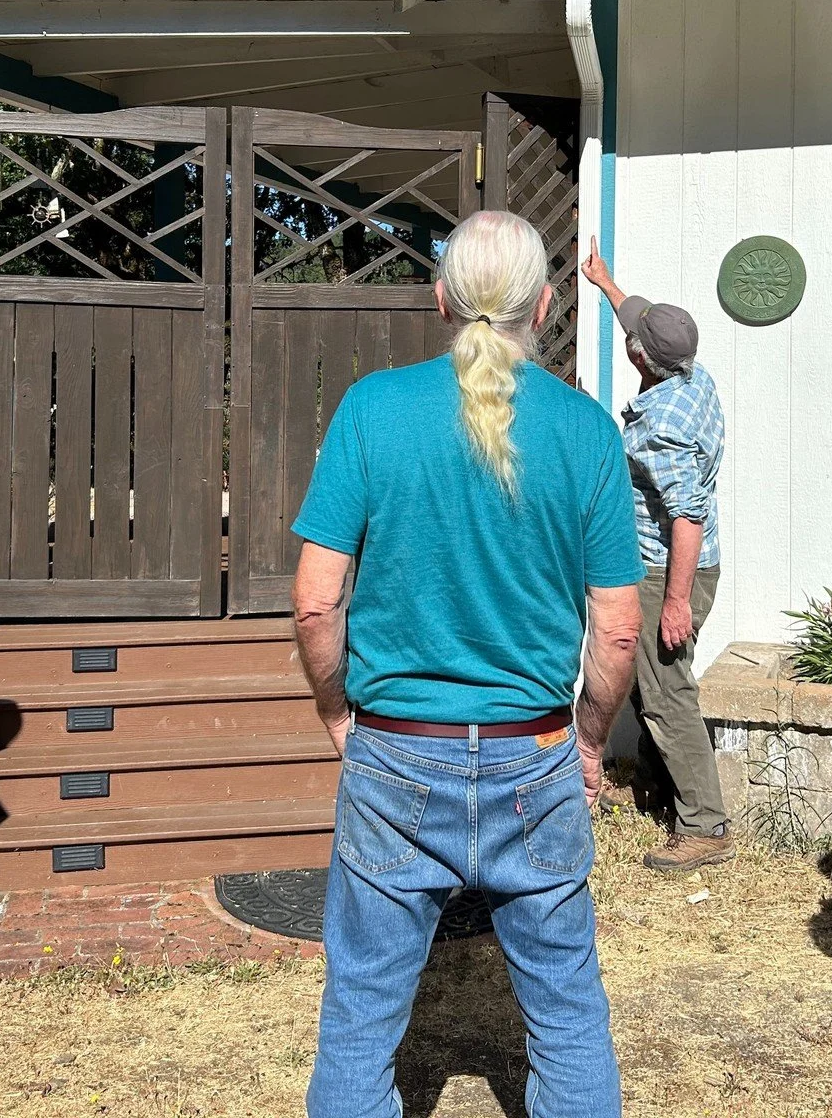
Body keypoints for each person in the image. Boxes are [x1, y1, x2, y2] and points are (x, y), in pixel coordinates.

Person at [293, 210, 644, 1118]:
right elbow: (616, 631)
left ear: (441, 296)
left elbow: (315, 599)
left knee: (361, 1013)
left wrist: (339, 714)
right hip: (536, 757)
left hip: (397, 751)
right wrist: (590, 741)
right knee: (567, 1008)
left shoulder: (375, 408)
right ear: (548, 303)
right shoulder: (588, 432)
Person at [580, 239, 733, 873]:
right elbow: (642, 320)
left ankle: (706, 827)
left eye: (634, 336)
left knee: (668, 693)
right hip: (683, 567)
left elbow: (685, 515)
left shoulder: (661, 423)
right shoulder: (691, 375)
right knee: (648, 688)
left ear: (641, 357)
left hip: (667, 569)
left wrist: (673, 602)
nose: (631, 332)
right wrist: (607, 283)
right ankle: (657, 789)